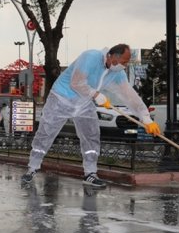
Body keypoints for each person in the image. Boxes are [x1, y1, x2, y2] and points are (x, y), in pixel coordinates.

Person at [21, 44, 160, 188]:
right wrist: (96, 95)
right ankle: (32, 168)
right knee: (46, 133)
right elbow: (76, 82)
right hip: (61, 98)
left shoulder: (117, 73)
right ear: (113, 57)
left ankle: (90, 173)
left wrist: (145, 117)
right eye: (124, 62)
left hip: (84, 103)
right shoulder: (90, 57)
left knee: (91, 136)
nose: (125, 66)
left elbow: (129, 95)